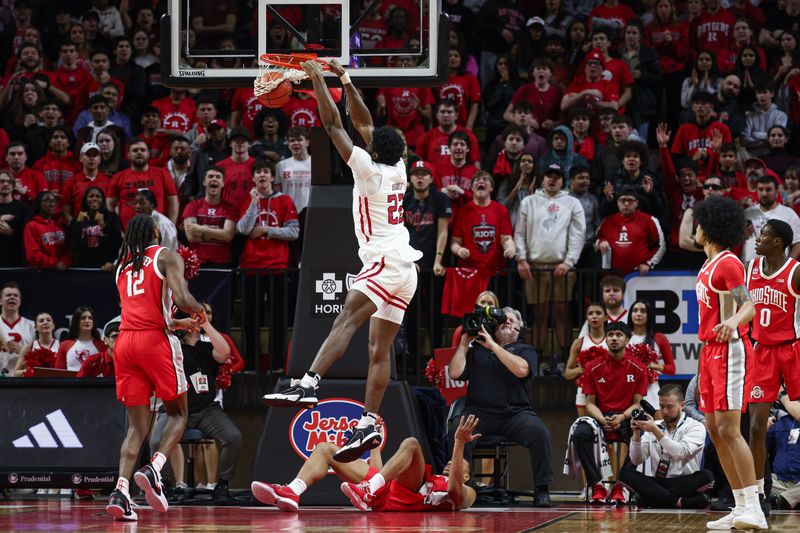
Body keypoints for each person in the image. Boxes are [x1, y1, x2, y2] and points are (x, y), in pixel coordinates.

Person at [263, 59, 423, 464]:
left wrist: (319, 80)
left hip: (385, 260)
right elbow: (365, 124)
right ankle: (369, 421)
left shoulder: (368, 170)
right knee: (378, 350)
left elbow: (336, 126)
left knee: (345, 320)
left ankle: (308, 381)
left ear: (373, 149)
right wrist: (346, 80)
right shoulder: (398, 167)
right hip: (406, 268)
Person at [105, 213, 206, 522]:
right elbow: (182, 296)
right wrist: (199, 311)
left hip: (125, 343)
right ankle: (155, 468)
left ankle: (121, 492)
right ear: (155, 232)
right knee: (178, 413)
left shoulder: (121, 266)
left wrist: (178, 321)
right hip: (155, 344)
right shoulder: (166, 256)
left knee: (137, 426)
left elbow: (141, 312)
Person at [693, 195, 766, 530]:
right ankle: (739, 506)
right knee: (714, 430)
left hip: (730, 350)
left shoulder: (728, 263)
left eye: (698, 222)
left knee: (728, 429)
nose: (694, 228)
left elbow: (748, 306)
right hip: (709, 351)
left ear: (708, 227)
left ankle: (755, 506)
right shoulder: (707, 264)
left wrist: (733, 321)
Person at [252, 415, 479, 512]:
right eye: (450, 462)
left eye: (457, 464)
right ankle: (292, 491)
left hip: (407, 495)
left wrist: (459, 444)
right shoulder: (432, 477)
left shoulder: (468, 492)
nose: (450, 464)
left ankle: (370, 490)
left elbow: (455, 491)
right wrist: (375, 446)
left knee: (411, 443)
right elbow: (380, 473)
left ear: (467, 476)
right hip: (380, 494)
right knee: (325, 448)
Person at [447, 306, 553, 507]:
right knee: (456, 430)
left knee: (540, 433)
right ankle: (461, 483)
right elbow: (454, 373)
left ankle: (542, 489)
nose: (508, 322)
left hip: (515, 414)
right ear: (494, 328)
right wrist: (463, 344)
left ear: (519, 330)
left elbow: (521, 370)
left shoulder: (525, 350)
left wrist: (494, 347)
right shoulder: (476, 351)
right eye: (504, 320)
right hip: (480, 413)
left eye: (513, 321)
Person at [150, 310, 240, 502]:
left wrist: (206, 323)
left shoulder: (206, 348)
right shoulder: (173, 348)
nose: (195, 322)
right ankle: (163, 484)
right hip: (175, 410)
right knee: (156, 442)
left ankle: (222, 485)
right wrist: (179, 324)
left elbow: (225, 353)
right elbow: (157, 328)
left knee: (233, 438)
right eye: (192, 319)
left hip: (206, 410)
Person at [745, 219, 800, 512]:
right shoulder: (749, 269)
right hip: (761, 351)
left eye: (764, 234)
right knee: (755, 427)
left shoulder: (795, 270)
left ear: (778, 241)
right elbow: (740, 306)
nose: (758, 238)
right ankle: (757, 494)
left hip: (792, 349)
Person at [564, 321, 647, 505]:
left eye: (619, 335)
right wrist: (602, 419)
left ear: (627, 339)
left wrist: (622, 417)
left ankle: (622, 484)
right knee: (580, 434)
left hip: (625, 416)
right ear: (606, 339)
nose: (614, 338)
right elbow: (589, 404)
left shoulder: (639, 367)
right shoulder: (592, 367)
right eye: (610, 335)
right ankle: (597, 484)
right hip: (600, 417)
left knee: (641, 433)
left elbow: (637, 403)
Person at [514, 163, 585, 359]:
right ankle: (536, 359)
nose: (552, 179)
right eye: (549, 175)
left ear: (563, 180)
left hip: (561, 266)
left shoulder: (572, 202)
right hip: (534, 267)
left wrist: (569, 262)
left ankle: (565, 359)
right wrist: (521, 259)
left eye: (557, 176)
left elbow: (578, 234)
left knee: (562, 314)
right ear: (543, 178)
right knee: (539, 316)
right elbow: (519, 233)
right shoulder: (529, 202)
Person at [620, 384, 714, 509]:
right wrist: (636, 434)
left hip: (685, 481)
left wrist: (655, 431)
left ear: (682, 405)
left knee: (707, 476)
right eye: (661, 406)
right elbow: (637, 460)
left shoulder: (695, 426)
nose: (664, 412)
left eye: (669, 407)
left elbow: (680, 453)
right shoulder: (654, 425)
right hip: (657, 481)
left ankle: (652, 498)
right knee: (626, 474)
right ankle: (679, 502)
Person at [596, 188, 666, 274]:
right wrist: (601, 241)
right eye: (623, 200)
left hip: (638, 275)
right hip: (612, 275)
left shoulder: (649, 220)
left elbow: (661, 245)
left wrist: (648, 263)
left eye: (630, 200)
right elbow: (597, 239)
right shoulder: (607, 221)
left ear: (636, 203)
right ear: (617, 203)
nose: (626, 203)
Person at [627, 299, 677, 416]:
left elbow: (671, 370)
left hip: (651, 388)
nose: (638, 314)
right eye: (635, 310)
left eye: (643, 311)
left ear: (649, 315)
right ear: (630, 315)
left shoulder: (659, 338)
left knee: (656, 428)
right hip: (628, 388)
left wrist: (653, 366)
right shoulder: (623, 336)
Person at [181, 166, 238, 267]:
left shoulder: (230, 208)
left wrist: (201, 228)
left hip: (222, 262)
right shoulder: (192, 206)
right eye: (210, 176)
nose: (214, 179)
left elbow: (228, 236)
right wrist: (219, 232)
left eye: (218, 177)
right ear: (204, 182)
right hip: (197, 262)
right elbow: (192, 237)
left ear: (223, 183)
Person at [742, 175, 800, 262]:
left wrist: (788, 265)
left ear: (777, 192)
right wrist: (744, 235)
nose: (764, 194)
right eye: (761, 190)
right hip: (749, 269)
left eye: (768, 190)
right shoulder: (747, 213)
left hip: (777, 270)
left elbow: (797, 243)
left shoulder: (789, 214)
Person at [566, 302, 608, 417]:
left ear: (606, 317)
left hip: (607, 391)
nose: (594, 316)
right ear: (587, 318)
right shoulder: (579, 343)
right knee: (586, 427)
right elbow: (567, 373)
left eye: (598, 313)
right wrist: (582, 369)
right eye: (590, 313)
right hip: (584, 392)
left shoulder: (612, 341)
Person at [69, 185, 123, 270]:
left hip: (105, 267)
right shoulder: (78, 219)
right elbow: (74, 247)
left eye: (98, 196)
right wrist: (78, 224)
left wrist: (103, 226)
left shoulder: (112, 218)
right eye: (91, 196)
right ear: (85, 200)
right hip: (83, 267)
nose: (94, 199)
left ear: (103, 200)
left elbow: (117, 243)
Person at [23, 191, 70, 270]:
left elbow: (68, 250)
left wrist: (65, 261)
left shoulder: (59, 225)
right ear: (38, 205)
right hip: (41, 274)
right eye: (47, 201)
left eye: (53, 201)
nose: (52, 204)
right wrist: (56, 263)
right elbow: (33, 256)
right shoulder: (31, 226)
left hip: (61, 272)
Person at [54, 306, 105, 371]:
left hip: (95, 381)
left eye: (90, 318)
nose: (87, 321)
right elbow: (59, 372)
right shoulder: (65, 345)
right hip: (70, 381)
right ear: (76, 321)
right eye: (83, 318)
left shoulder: (102, 346)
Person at [0, 169, 30, 267]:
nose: (5, 184)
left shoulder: (23, 208)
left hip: (14, 259)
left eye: (9, 182)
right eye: (1, 181)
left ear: (13, 186)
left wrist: (12, 232)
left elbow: (27, 235)